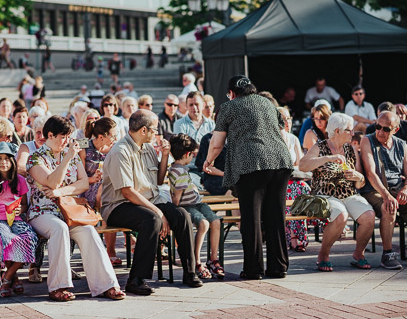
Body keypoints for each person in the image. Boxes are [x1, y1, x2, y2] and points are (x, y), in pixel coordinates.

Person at [101, 110, 202, 295]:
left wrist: (164, 156)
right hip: (118, 205)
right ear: (144, 130)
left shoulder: (147, 147)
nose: (157, 133)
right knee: (152, 219)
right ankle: (136, 279)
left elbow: (158, 180)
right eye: (154, 129)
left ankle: (190, 271)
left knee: (182, 215)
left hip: (147, 201)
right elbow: (127, 192)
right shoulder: (120, 151)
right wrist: (159, 212)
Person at [203, 75, 293, 280]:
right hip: (280, 161)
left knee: (251, 219)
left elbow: (216, 144)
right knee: (275, 217)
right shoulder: (268, 103)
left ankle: (254, 270)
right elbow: (282, 133)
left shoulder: (229, 107)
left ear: (232, 92)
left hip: (251, 163)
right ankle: (278, 267)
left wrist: (208, 162)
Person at [26, 116, 125, 301]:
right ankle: (58, 286)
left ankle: (107, 285)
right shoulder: (35, 159)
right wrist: (68, 160)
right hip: (42, 212)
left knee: (89, 231)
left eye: (69, 136)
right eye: (64, 136)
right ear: (50, 135)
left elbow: (84, 184)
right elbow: (51, 181)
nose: (67, 141)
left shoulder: (68, 154)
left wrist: (59, 192)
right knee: (59, 229)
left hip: (69, 211)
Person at [299, 113, 374, 272]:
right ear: (337, 130)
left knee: (369, 216)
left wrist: (358, 177)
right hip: (325, 194)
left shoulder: (351, 149)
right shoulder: (321, 146)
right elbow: (303, 165)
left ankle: (358, 254)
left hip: (348, 193)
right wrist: (327, 158)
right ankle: (323, 255)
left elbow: (360, 182)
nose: (353, 133)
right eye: (349, 130)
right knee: (341, 216)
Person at [0, 142, 38, 297]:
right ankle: (11, 278)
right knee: (5, 238)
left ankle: (8, 275)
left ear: (12, 161)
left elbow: (25, 205)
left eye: (7, 158)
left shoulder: (19, 180)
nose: (3, 162)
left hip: (15, 218)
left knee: (29, 238)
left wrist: (21, 209)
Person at [169, 134, 224, 279]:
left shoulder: (178, 168)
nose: (192, 158)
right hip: (188, 206)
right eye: (192, 155)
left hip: (197, 203)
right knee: (204, 224)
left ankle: (213, 259)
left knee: (216, 221)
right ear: (187, 154)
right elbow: (177, 198)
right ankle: (197, 261)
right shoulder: (179, 171)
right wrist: (173, 213)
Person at [359, 111, 407, 270]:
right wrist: (387, 196)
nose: (380, 131)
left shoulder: (402, 145)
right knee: (389, 207)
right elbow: (371, 174)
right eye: (377, 126)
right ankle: (387, 254)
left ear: (396, 130)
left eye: (386, 129)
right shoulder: (368, 140)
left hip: (397, 187)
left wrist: (405, 188)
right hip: (374, 188)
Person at [78, 117, 121, 265]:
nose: (115, 138)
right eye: (113, 135)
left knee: (109, 194)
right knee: (108, 197)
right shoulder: (84, 145)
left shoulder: (115, 148)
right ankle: (110, 250)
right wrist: (91, 179)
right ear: (101, 137)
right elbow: (77, 175)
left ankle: (110, 249)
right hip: (86, 188)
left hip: (106, 189)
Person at [278, 107, 310, 252]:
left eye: (289, 118)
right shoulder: (273, 140)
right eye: (283, 119)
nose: (287, 122)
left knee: (302, 188)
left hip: (294, 179)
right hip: (278, 181)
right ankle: (292, 236)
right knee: (294, 190)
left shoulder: (294, 139)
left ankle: (295, 235)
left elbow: (301, 164)